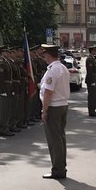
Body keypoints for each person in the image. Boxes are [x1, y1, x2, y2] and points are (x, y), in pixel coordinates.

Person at [39, 45, 69, 180]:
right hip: (62, 105)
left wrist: (44, 111)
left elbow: (48, 92)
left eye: (44, 55)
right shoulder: (62, 68)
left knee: (54, 140)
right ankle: (61, 166)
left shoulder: (52, 70)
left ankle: (58, 169)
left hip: (54, 107)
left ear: (48, 55)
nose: (44, 58)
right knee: (60, 138)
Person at [0, 46, 14, 137]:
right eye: (6, 52)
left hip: (8, 88)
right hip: (3, 89)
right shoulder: (1, 62)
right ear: (2, 52)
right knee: (3, 111)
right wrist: (2, 90)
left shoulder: (6, 62)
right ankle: (3, 129)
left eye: (8, 52)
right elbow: (0, 78)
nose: (7, 53)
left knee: (7, 109)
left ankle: (6, 127)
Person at [84, 46, 96, 116]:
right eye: (95, 50)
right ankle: (91, 111)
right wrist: (93, 81)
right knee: (92, 96)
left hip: (94, 80)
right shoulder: (89, 59)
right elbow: (90, 71)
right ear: (91, 51)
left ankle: (93, 110)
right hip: (91, 80)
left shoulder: (93, 59)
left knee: (94, 96)